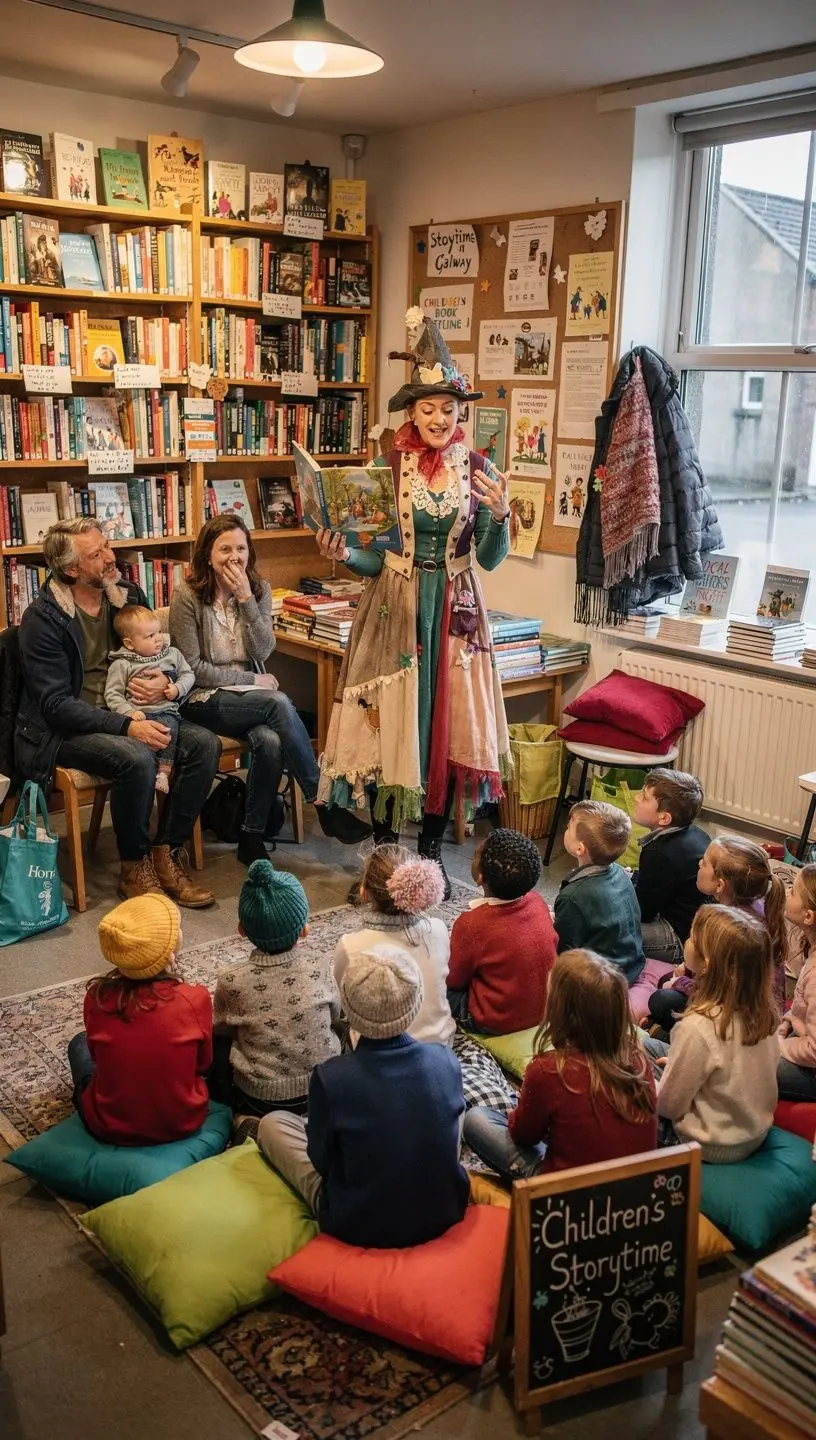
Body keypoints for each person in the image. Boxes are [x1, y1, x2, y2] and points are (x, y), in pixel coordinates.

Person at [314, 313, 512, 898]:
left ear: (460, 413)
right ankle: (383, 853)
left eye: (448, 409)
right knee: (387, 724)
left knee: (442, 730)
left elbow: (491, 558)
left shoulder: (479, 471)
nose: (438, 418)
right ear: (411, 412)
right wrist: (344, 554)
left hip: (455, 608)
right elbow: (375, 555)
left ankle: (429, 854)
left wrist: (500, 515)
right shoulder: (386, 470)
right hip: (392, 608)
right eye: (428, 408)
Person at [15, 518, 216, 906]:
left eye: (107, 545)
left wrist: (164, 682)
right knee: (136, 757)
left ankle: (167, 852)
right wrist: (126, 726)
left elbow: (158, 651)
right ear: (72, 569)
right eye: (97, 554)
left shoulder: (126, 594)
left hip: (137, 712)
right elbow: (56, 706)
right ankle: (133, 866)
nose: (111, 557)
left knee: (203, 745)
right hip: (64, 730)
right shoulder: (42, 619)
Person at [170, 514, 371, 867]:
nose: (235, 557)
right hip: (201, 698)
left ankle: (251, 837)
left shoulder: (258, 590)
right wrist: (250, 681)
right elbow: (192, 668)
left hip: (251, 700)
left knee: (271, 739)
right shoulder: (187, 595)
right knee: (278, 703)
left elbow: (262, 652)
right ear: (206, 554)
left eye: (242, 549)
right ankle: (322, 802)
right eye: (225, 549)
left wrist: (246, 600)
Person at [258, 946, 469, 1249]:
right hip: (445, 1209)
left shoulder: (331, 1078)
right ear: (415, 1002)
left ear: (348, 1008)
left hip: (358, 1224)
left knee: (273, 1124)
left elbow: (320, 1161)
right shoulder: (445, 1059)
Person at [463, 950, 657, 1180]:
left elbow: (523, 1135)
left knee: (477, 1120)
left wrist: (525, 1110)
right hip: (637, 1190)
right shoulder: (638, 1058)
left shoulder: (549, 1071)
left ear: (560, 1013)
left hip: (568, 1195)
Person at [67, 894, 212, 1145]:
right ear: (169, 955)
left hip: (108, 1125)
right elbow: (202, 1064)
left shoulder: (96, 998)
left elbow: (97, 1055)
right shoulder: (195, 998)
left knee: (79, 1045)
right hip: (183, 1122)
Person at [213, 860, 341, 1124]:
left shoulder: (231, 980)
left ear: (241, 930)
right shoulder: (319, 965)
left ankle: (241, 1121)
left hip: (260, 1099)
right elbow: (336, 1016)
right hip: (323, 1087)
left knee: (217, 1041)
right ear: (304, 929)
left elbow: (221, 1029)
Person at [647, 906, 779, 1162]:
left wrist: (649, 1083)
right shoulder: (764, 1013)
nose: (687, 941)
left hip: (706, 1145)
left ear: (707, 963)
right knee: (651, 1048)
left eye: (693, 938)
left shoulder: (698, 1026)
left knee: (628, 1071)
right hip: (753, 1132)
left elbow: (668, 1106)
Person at [332, 843, 452, 1047]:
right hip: (441, 1045)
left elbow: (343, 1001)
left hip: (377, 1057)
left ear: (363, 892)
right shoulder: (439, 929)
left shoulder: (350, 945)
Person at [446, 828, 557, 1033]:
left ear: (480, 877)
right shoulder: (538, 902)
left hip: (496, 1019)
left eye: (475, 856)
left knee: (437, 987)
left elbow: (453, 978)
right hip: (542, 1010)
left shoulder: (471, 924)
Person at [104, 604, 195, 795]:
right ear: (130, 644)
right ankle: (148, 778)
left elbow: (188, 674)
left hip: (167, 711)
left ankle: (164, 771)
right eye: (150, 636)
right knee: (139, 748)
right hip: (139, 716)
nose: (158, 639)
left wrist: (177, 688)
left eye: (159, 632)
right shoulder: (122, 663)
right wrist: (129, 712)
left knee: (168, 728)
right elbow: (113, 694)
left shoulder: (172, 654)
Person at [554, 800, 645, 984]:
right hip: (632, 965)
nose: (566, 828)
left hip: (603, 982)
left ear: (580, 848)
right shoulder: (620, 872)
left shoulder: (573, 896)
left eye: (569, 827)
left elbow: (563, 949)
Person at [696, 835, 788, 1011]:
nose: (700, 863)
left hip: (744, 1014)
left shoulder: (729, 928)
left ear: (720, 885)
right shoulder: (759, 903)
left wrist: (680, 982)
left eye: (705, 862)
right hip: (761, 1008)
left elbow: (713, 987)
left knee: (664, 998)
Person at [633, 769, 709, 965]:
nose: (636, 798)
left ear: (664, 818)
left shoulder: (660, 854)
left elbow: (642, 911)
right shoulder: (697, 833)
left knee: (605, 929)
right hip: (695, 925)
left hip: (679, 937)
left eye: (644, 797)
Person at [777, 863, 816, 1101]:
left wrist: (778, 1046)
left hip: (812, 1070)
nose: (788, 891)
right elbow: (802, 1007)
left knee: (744, 1065)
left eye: (793, 891)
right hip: (798, 1040)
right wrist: (786, 1024)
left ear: (809, 915)